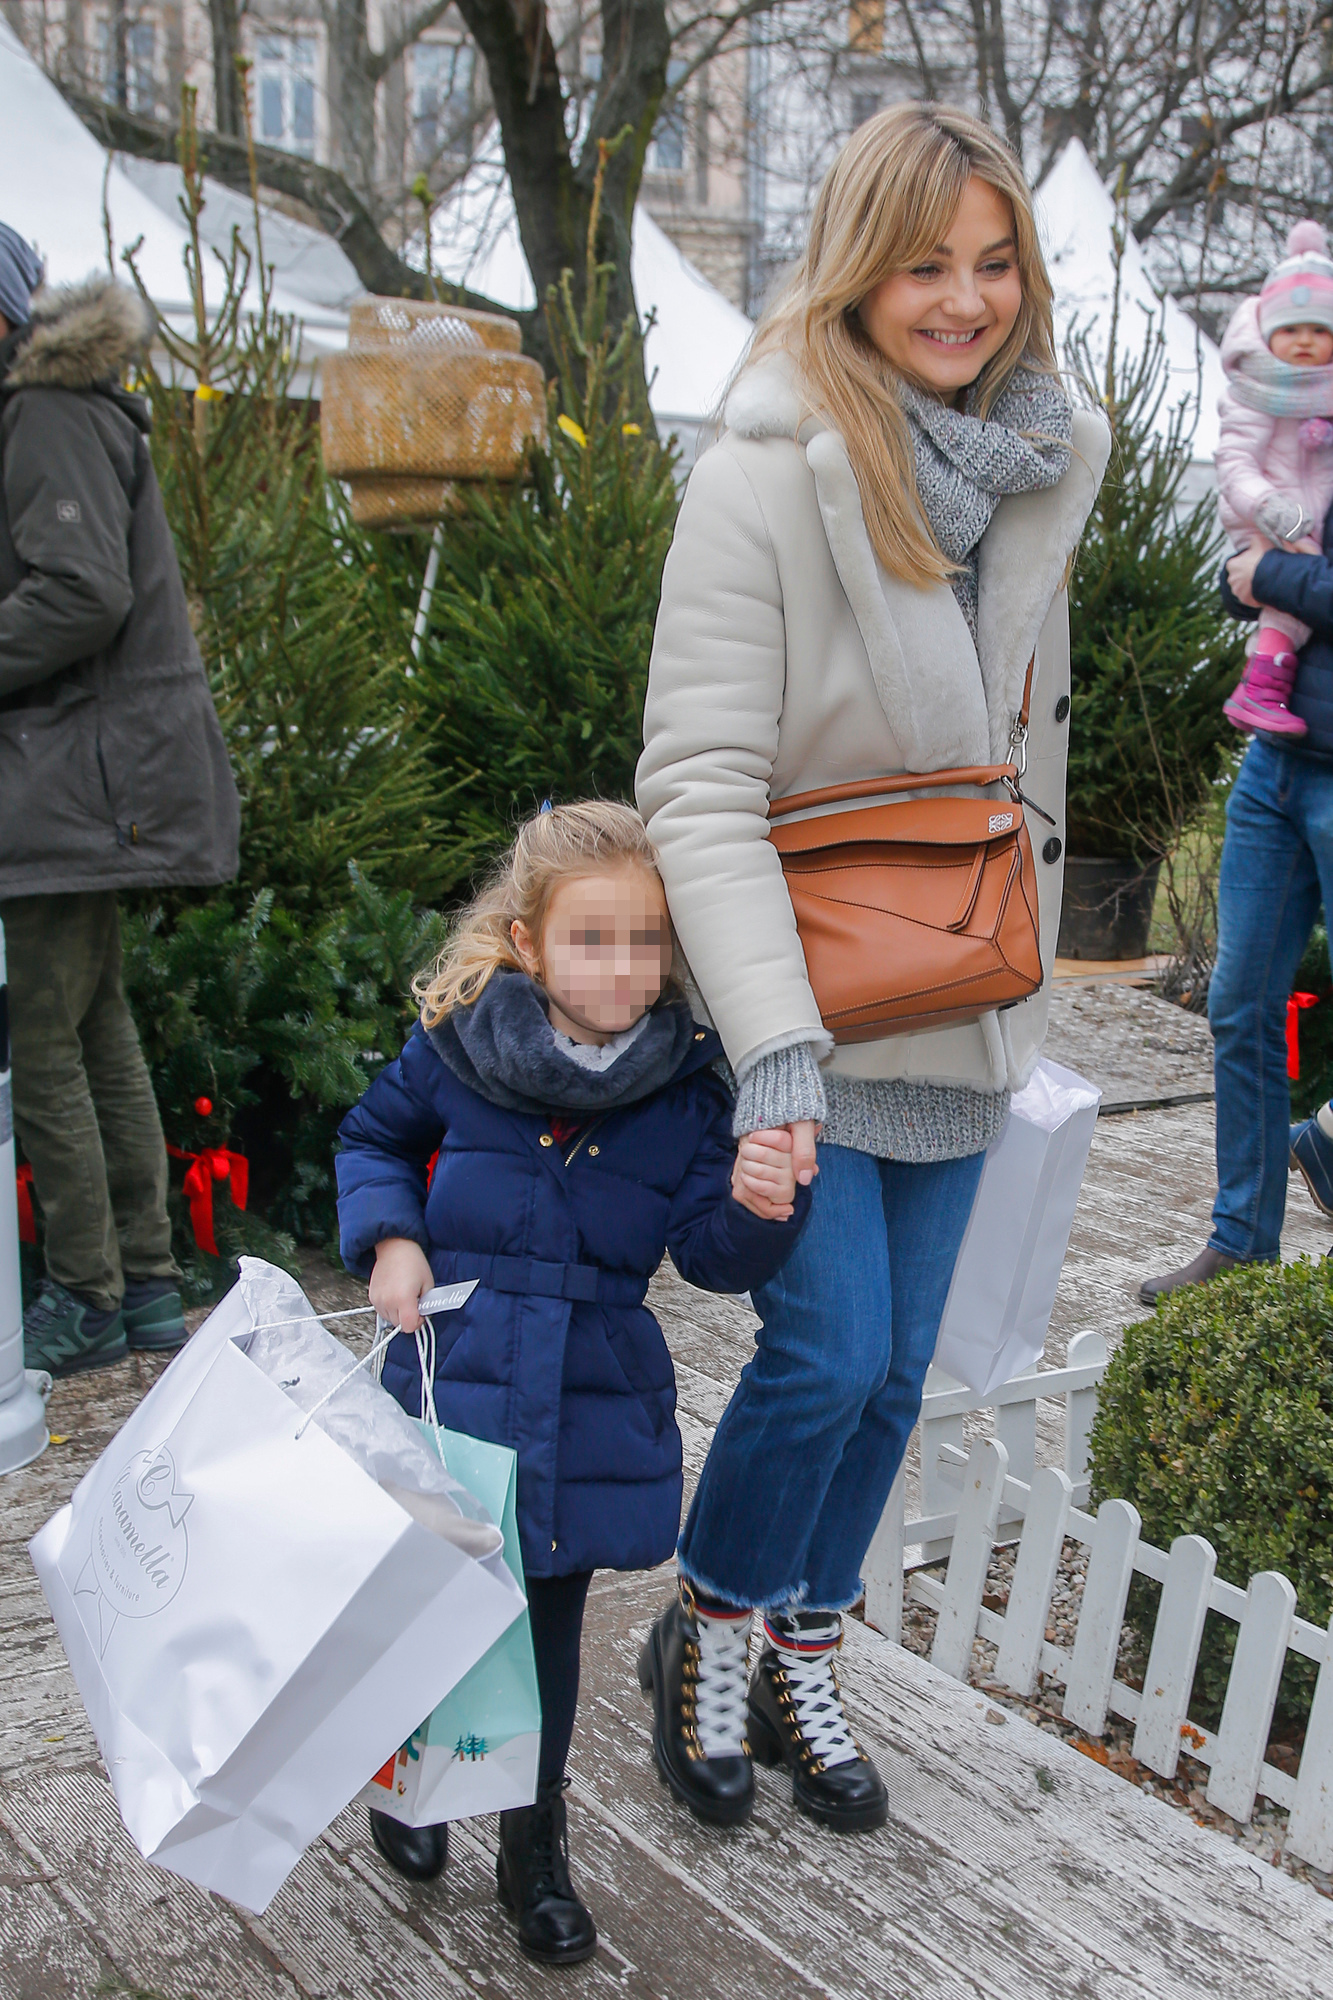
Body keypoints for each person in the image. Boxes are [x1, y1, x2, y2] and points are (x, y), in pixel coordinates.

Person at [635, 102, 1109, 1834]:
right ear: (854, 270)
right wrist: (765, 1042)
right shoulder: (765, 470)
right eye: (923, 266)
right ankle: (705, 1627)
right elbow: (695, 783)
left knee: (904, 1373)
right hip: (809, 1008)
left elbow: (1018, 761)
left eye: (993, 264)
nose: (963, 300)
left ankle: (802, 1645)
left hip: (961, 995)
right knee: (825, 1355)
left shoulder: (1033, 464)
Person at [335, 801, 808, 1967]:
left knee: (544, 1628)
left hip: (584, 1400)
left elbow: (708, 1252)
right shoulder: (457, 1049)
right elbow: (372, 1138)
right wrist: (392, 1237)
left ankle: (532, 1844)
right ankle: (409, 1779)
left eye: (646, 939)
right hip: (453, 1380)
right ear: (529, 942)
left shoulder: (685, 1088)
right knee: (428, 1599)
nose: (623, 966)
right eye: (592, 938)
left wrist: (758, 1207)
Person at [0, 234, 240, 1375]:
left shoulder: (42, 413)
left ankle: (85, 1293)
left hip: (66, 776)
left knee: (44, 1034)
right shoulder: (68, 405)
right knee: (95, 1025)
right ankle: (142, 1284)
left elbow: (80, 591)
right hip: (85, 774)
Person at [1141, 475, 1333, 1301]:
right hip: (1273, 766)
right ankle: (1240, 1244)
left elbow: (1265, 575)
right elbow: (1236, 583)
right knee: (1238, 1003)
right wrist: (1248, 575)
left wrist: (1269, 575)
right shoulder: (1304, 446)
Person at [1214, 221, 1333, 739]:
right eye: (1291, 330)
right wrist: (1267, 507)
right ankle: (1260, 687)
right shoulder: (1259, 390)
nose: (1304, 342)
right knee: (1288, 591)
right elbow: (1233, 462)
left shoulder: (1322, 393)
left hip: (1303, 515)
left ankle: (1260, 685)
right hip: (1263, 512)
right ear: (1267, 335)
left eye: (1319, 331)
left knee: (1289, 592)